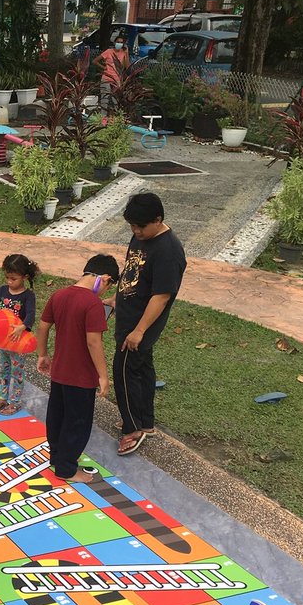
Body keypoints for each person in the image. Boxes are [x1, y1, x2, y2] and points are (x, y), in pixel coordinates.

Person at [112, 192, 186, 456]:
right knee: (141, 370)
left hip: (139, 325)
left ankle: (132, 430)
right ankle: (146, 421)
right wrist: (117, 298)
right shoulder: (141, 235)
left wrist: (139, 331)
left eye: (140, 226)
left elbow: (162, 295)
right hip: (129, 316)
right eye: (132, 226)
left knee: (124, 373)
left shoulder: (169, 251)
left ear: (158, 219)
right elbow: (133, 272)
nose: (135, 231)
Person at [36, 254, 121, 483]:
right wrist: (103, 376)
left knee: (57, 417)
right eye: (109, 286)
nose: (105, 292)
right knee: (77, 423)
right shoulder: (92, 303)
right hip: (82, 377)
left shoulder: (60, 294)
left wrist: (43, 354)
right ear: (105, 279)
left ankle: (57, 458)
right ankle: (66, 469)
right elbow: (94, 341)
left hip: (60, 372)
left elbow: (43, 326)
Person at [0, 253, 40, 415]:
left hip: (18, 342)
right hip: (2, 341)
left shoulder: (28, 295)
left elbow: (30, 315)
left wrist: (22, 327)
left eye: (13, 278)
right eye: (7, 277)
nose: (9, 281)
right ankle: (3, 397)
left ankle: (15, 401)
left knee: (17, 372)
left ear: (24, 277)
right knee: (4, 369)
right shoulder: (2, 291)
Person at [96, 33, 129, 108]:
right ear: (114, 43)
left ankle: (115, 118)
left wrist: (126, 53)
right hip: (106, 78)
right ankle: (103, 118)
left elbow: (127, 66)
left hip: (117, 80)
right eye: (118, 42)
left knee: (116, 101)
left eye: (121, 42)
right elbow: (95, 61)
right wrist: (103, 67)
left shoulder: (123, 53)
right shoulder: (108, 51)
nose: (119, 44)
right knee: (105, 100)